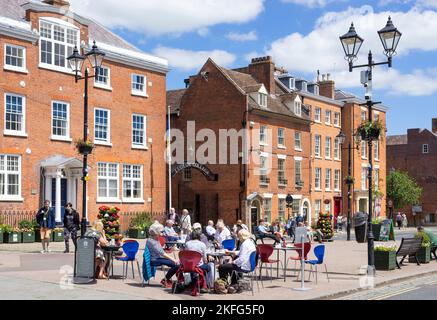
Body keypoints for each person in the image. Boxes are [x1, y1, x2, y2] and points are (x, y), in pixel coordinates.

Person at [146, 223, 180, 288]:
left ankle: (167, 279)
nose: (162, 233)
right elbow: (162, 253)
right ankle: (165, 280)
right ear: (156, 232)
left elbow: (161, 252)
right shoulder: (152, 241)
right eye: (161, 232)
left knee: (175, 264)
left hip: (157, 258)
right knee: (176, 265)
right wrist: (174, 259)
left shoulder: (153, 239)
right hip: (154, 260)